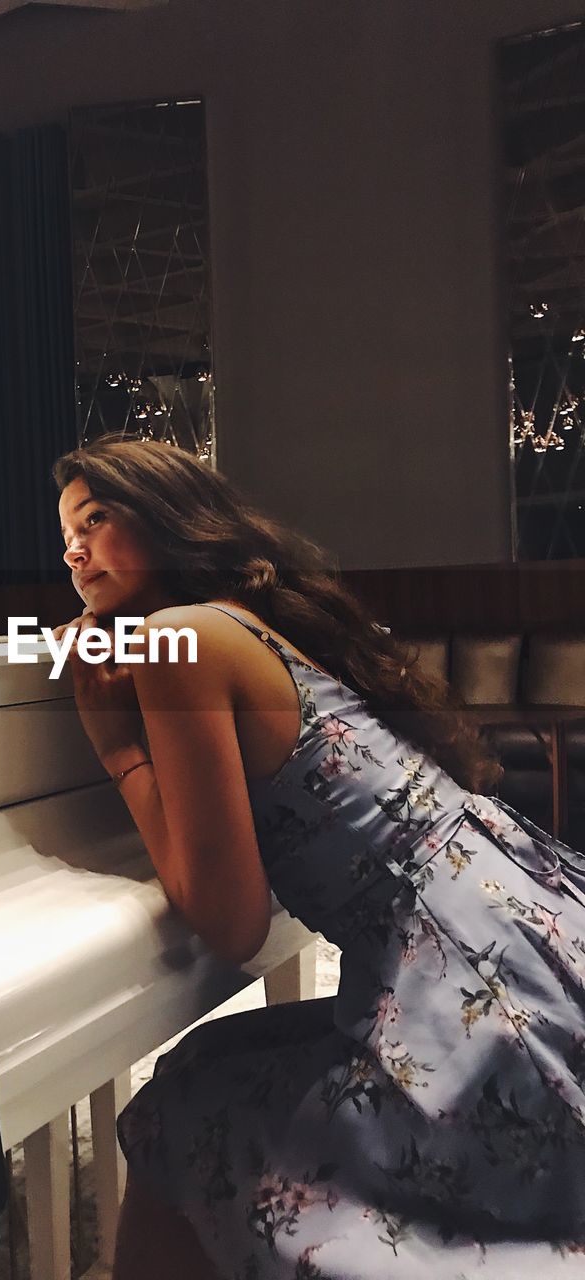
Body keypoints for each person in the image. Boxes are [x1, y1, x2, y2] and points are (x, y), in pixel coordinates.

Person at [51, 432, 585, 1279]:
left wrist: (118, 750)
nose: (74, 548)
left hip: (479, 996)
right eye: (65, 532)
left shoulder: (176, 639)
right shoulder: (248, 624)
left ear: (168, 520)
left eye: (98, 518)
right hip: (524, 932)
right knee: (206, 1066)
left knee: (185, 1105)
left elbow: (230, 921)